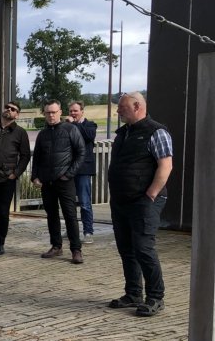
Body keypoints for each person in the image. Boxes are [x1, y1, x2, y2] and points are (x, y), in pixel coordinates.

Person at [107, 91, 174, 317]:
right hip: (121, 201)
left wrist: (151, 194)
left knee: (143, 248)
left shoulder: (156, 132)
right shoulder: (124, 133)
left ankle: (155, 297)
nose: (118, 111)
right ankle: (133, 293)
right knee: (126, 248)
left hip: (144, 201)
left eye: (122, 107)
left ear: (137, 107)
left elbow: (166, 166)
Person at [32, 100, 85, 264]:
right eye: (48, 112)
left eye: (54, 112)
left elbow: (81, 153)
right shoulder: (42, 134)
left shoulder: (70, 129)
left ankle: (76, 250)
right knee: (52, 215)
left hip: (64, 181)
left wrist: (68, 175)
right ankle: (56, 246)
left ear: (60, 112)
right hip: (47, 182)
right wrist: (35, 176)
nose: (51, 115)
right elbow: (37, 158)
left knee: (70, 215)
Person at [0, 102, 31, 255]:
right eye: (7, 107)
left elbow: (25, 156)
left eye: (13, 109)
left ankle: (0, 243)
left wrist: (15, 173)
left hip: (6, 178)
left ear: (17, 115)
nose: (9, 110)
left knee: (3, 213)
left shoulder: (20, 133)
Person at [67, 101, 98, 243]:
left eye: (75, 111)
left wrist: (74, 124)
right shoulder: (68, 126)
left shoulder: (90, 125)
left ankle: (88, 231)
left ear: (82, 111)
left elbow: (88, 136)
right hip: (69, 169)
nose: (73, 113)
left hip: (83, 170)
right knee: (69, 203)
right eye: (71, 111)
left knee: (85, 202)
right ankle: (71, 231)